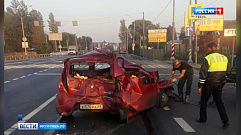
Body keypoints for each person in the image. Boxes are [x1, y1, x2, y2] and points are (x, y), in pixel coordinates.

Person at [196, 42, 230, 129]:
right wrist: (223, 78)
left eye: (208, 48)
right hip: (219, 83)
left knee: (203, 101)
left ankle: (203, 119)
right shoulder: (224, 57)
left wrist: (200, 86)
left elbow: (203, 73)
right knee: (219, 102)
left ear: (210, 48)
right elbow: (228, 71)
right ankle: (225, 121)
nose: (207, 49)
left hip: (209, 83)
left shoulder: (208, 58)